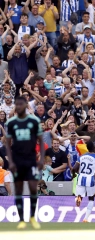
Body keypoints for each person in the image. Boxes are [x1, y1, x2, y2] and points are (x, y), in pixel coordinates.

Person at [5, 96, 45, 229]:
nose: (19, 106)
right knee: (18, 189)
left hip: (31, 160)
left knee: (34, 187)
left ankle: (32, 217)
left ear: (26, 105)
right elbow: (8, 144)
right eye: (17, 104)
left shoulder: (34, 121)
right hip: (17, 161)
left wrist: (42, 159)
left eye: (21, 104)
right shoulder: (11, 123)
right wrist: (10, 162)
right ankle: (21, 219)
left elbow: (41, 139)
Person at [72, 140, 95, 222]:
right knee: (91, 198)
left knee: (80, 195)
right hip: (90, 179)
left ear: (86, 148)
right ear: (93, 148)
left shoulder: (81, 156)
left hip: (81, 177)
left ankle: (79, 198)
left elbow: (74, 168)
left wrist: (74, 175)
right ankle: (86, 218)